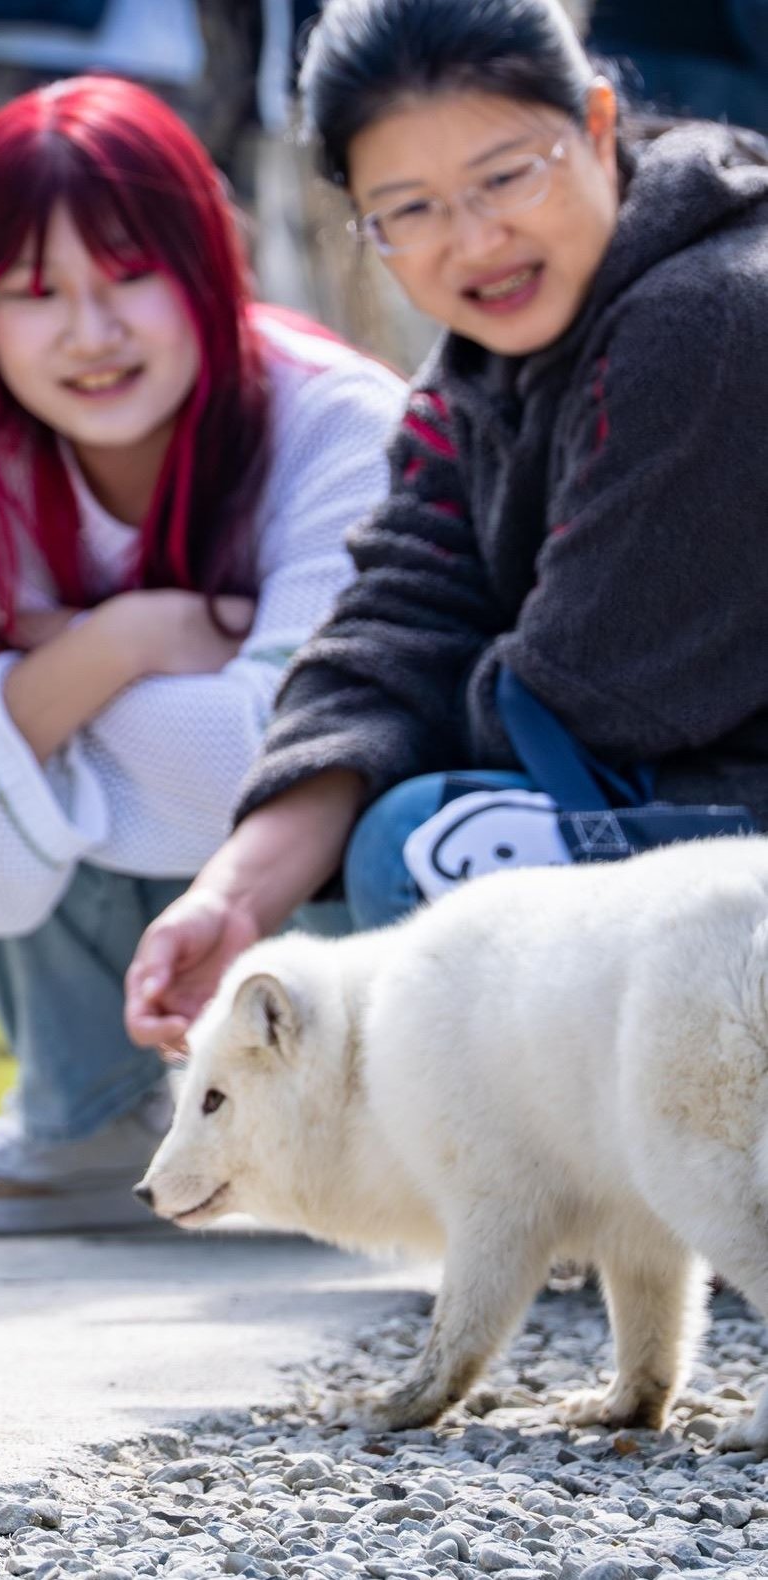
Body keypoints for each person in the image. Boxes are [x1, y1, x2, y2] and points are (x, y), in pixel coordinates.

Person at [0, 75, 405, 1234]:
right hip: (132, 867)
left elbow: (282, 754)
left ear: (207, 265)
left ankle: (327, 1146)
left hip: (322, 918)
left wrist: (8, 709)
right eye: (35, 293)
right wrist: (125, 640)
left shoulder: (339, 422)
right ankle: (85, 1124)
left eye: (131, 274)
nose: (91, 333)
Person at [125, 0, 768, 1054]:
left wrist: (405, 714)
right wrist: (234, 896)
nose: (474, 239)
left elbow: (580, 695)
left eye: (508, 176)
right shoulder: (482, 357)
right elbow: (402, 602)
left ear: (599, 125)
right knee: (345, 849)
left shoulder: (709, 317)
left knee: (433, 846)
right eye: (409, 209)